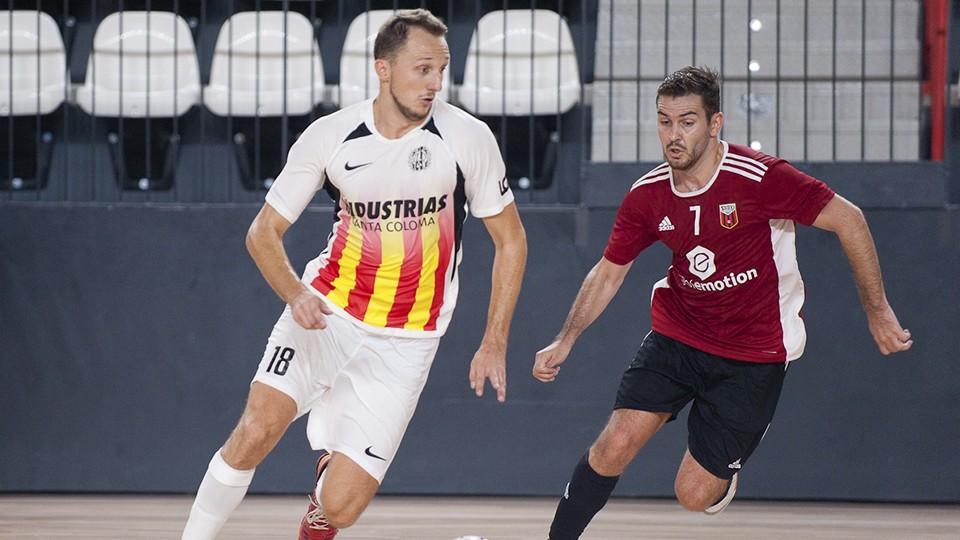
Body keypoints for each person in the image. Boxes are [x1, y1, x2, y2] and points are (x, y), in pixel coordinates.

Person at [182, 9, 527, 539]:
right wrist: (296, 293)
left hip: (407, 341)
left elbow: (511, 241)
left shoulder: (466, 138)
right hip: (328, 312)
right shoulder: (332, 137)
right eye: (422, 69)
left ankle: (323, 494)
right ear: (383, 69)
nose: (435, 82)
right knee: (255, 430)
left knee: (341, 509)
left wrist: (494, 340)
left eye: (442, 69)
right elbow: (263, 232)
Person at [532, 66, 912, 539]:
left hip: (755, 354)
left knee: (693, 494)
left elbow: (850, 220)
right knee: (614, 443)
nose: (674, 134)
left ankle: (724, 469)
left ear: (715, 124)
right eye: (664, 120)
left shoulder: (760, 178)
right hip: (679, 333)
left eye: (687, 121)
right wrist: (566, 339)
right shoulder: (648, 195)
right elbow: (608, 271)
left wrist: (877, 310)